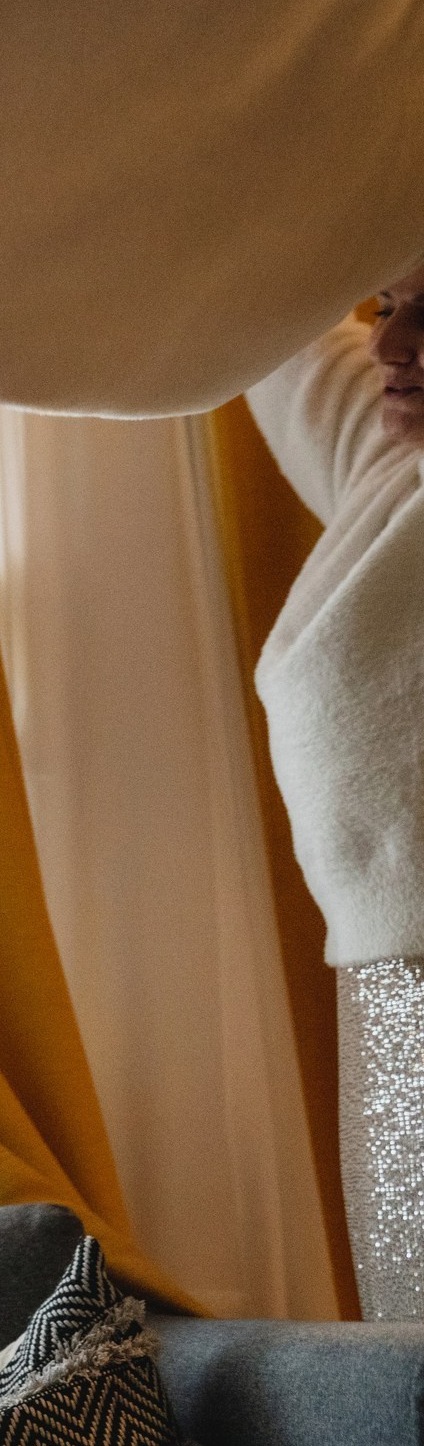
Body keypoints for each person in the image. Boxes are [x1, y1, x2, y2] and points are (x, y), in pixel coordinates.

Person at [243, 264, 424, 1320]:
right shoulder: (385, 467)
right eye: (389, 307)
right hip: (385, 977)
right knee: (408, 1336)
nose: (391, 346)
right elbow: (267, 311)